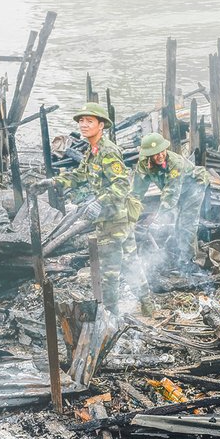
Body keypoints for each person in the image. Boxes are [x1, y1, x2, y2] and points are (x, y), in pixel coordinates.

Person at [38, 102, 155, 316]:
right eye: (81, 121)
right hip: (115, 217)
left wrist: (99, 201)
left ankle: (111, 316)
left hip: (114, 219)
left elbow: (121, 185)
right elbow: (81, 176)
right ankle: (148, 306)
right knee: (131, 261)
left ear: (101, 125)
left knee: (109, 271)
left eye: (89, 121)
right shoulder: (93, 151)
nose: (83, 125)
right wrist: (54, 182)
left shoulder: (108, 151)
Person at [132, 133, 210, 270]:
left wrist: (156, 219)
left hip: (193, 186)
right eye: (155, 154)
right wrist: (130, 214)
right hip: (176, 190)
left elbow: (170, 196)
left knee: (186, 224)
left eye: (162, 151)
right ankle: (181, 252)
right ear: (148, 155)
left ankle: (189, 263)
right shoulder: (143, 164)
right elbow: (137, 191)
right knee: (178, 224)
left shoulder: (175, 164)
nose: (160, 155)